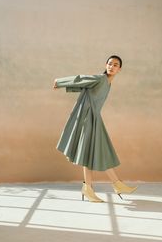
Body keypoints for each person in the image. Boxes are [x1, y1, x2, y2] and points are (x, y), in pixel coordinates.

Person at [53, 55, 137, 202]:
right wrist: (59, 82)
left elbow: (83, 87)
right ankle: (113, 184)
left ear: (119, 69)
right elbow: (81, 79)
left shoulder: (108, 83)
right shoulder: (101, 79)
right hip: (87, 117)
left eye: (115, 65)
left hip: (94, 117)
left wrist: (65, 86)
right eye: (110, 64)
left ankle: (95, 187)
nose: (112, 66)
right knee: (94, 150)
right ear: (106, 65)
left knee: (93, 150)